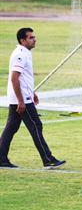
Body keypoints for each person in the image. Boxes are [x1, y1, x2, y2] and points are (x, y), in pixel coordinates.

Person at [0, 27, 65, 168]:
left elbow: (23, 79)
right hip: (21, 100)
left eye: (34, 37)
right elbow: (14, 79)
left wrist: (32, 93)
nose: (34, 39)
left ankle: (1, 159)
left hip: (22, 97)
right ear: (22, 40)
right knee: (36, 126)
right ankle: (48, 159)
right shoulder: (20, 54)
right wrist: (21, 101)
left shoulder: (25, 53)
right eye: (31, 37)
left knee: (11, 127)